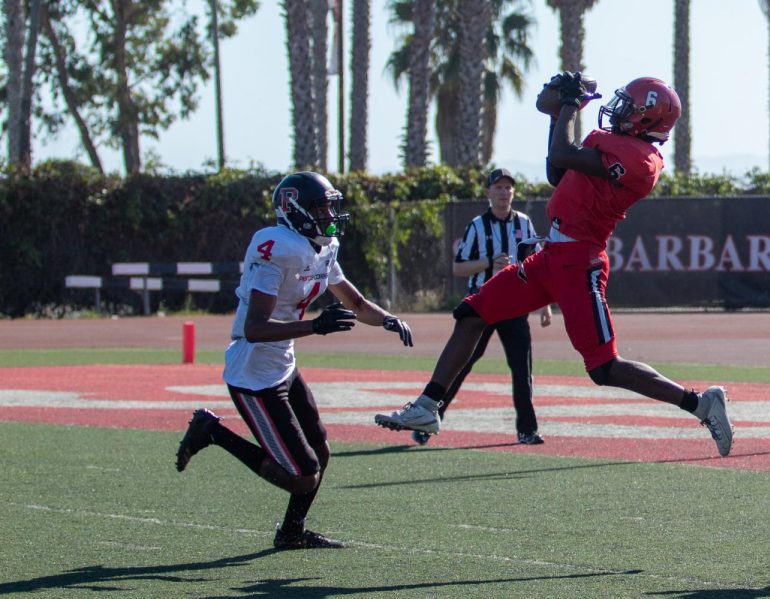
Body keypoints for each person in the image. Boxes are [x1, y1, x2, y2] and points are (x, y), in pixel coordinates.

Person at [375, 74, 734, 457]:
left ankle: (699, 403)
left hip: (580, 262)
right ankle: (429, 407)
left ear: (647, 118)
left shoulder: (642, 162)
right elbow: (557, 171)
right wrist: (557, 116)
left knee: (603, 367)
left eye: (630, 107)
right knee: (472, 312)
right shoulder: (614, 143)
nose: (620, 109)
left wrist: (567, 107)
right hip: (550, 257)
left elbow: (563, 156)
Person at [176, 171, 414, 550]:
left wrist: (386, 319)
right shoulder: (277, 247)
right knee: (301, 475)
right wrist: (315, 326)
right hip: (254, 372)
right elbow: (254, 327)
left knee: (320, 451)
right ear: (294, 210)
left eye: (329, 206)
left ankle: (291, 531)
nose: (328, 215)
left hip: (283, 364)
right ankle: (213, 432)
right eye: (320, 207)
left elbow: (354, 302)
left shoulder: (321, 247)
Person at [411, 168, 553, 446]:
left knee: (522, 370)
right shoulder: (477, 226)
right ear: (488, 193)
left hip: (514, 306)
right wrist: (489, 263)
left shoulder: (524, 224)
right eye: (498, 188)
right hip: (483, 306)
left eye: (507, 188)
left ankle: (527, 430)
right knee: (459, 366)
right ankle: (428, 421)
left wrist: (544, 305)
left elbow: (538, 265)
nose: (503, 193)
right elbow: (458, 268)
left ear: (513, 192)